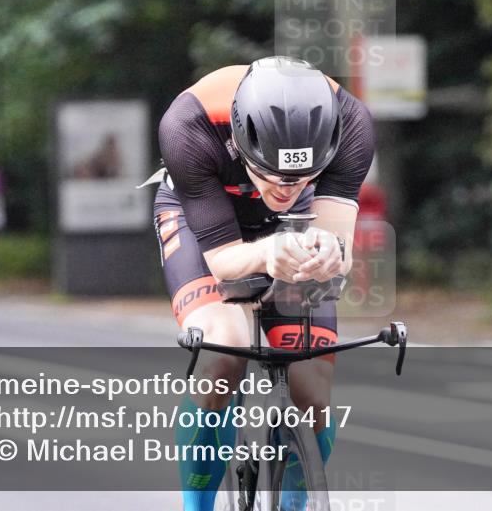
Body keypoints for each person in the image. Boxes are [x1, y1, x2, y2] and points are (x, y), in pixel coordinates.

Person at [151, 56, 374, 511]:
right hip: (204, 220)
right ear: (239, 140)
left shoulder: (351, 123)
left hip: (292, 224)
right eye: (271, 173)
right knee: (224, 352)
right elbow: (227, 263)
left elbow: (338, 242)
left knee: (310, 385)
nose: (285, 186)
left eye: (300, 176)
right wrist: (268, 253)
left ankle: (294, 502)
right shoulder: (187, 126)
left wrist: (330, 252)